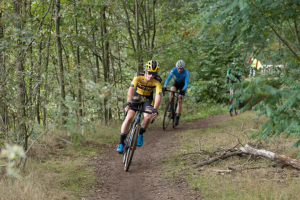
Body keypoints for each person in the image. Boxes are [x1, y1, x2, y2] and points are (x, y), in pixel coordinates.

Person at [116, 60, 162, 153]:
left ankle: (140, 133)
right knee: (129, 118)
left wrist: (155, 109)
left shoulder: (158, 80)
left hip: (147, 99)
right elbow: (131, 89)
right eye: (149, 73)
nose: (151, 76)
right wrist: (128, 102)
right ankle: (121, 143)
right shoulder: (138, 75)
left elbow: (158, 95)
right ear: (145, 71)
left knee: (148, 116)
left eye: (154, 74)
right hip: (136, 97)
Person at [162, 60, 190, 126]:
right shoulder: (174, 70)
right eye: (178, 68)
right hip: (176, 83)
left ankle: (177, 117)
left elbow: (186, 83)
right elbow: (168, 79)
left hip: (183, 86)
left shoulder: (186, 72)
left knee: (179, 100)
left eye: (181, 68)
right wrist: (165, 86)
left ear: (183, 68)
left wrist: (183, 90)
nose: (179, 70)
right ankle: (171, 102)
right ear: (176, 67)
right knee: (172, 90)